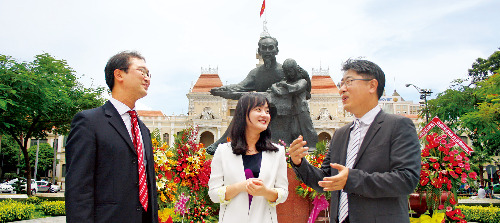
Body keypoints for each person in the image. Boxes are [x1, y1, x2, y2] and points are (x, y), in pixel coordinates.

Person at [289, 59, 421, 223]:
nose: (342, 89)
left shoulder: (398, 126)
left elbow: (406, 179)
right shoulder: (341, 134)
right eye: (341, 83)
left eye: (349, 82)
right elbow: (325, 179)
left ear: (372, 86)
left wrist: (351, 179)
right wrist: (299, 163)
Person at [65, 51, 158, 223]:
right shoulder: (89, 122)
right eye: (142, 71)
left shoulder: (142, 129)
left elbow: (148, 188)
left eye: (149, 74)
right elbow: (79, 189)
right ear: (119, 74)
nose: (147, 78)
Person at [208, 93, 288, 223]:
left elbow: (283, 193)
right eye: (258, 109)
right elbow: (214, 194)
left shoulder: (277, 152)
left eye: (267, 111)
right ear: (243, 114)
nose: (265, 115)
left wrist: (265, 191)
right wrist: (241, 186)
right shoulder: (223, 151)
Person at [206, 36, 285, 154]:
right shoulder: (256, 73)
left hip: (280, 107)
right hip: (261, 108)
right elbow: (240, 87)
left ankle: (222, 143)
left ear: (276, 50)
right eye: (264, 48)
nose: (267, 51)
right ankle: (224, 142)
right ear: (259, 51)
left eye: (270, 48)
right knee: (243, 107)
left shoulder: (283, 70)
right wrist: (223, 90)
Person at [267, 58, 317, 147]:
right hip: (291, 111)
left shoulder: (302, 81)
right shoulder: (286, 81)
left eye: (290, 71)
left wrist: (284, 85)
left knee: (308, 129)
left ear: (295, 70)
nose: (288, 74)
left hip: (301, 110)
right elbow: (274, 85)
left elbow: (295, 88)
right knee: (294, 131)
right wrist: (275, 88)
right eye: (286, 72)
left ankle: (312, 148)